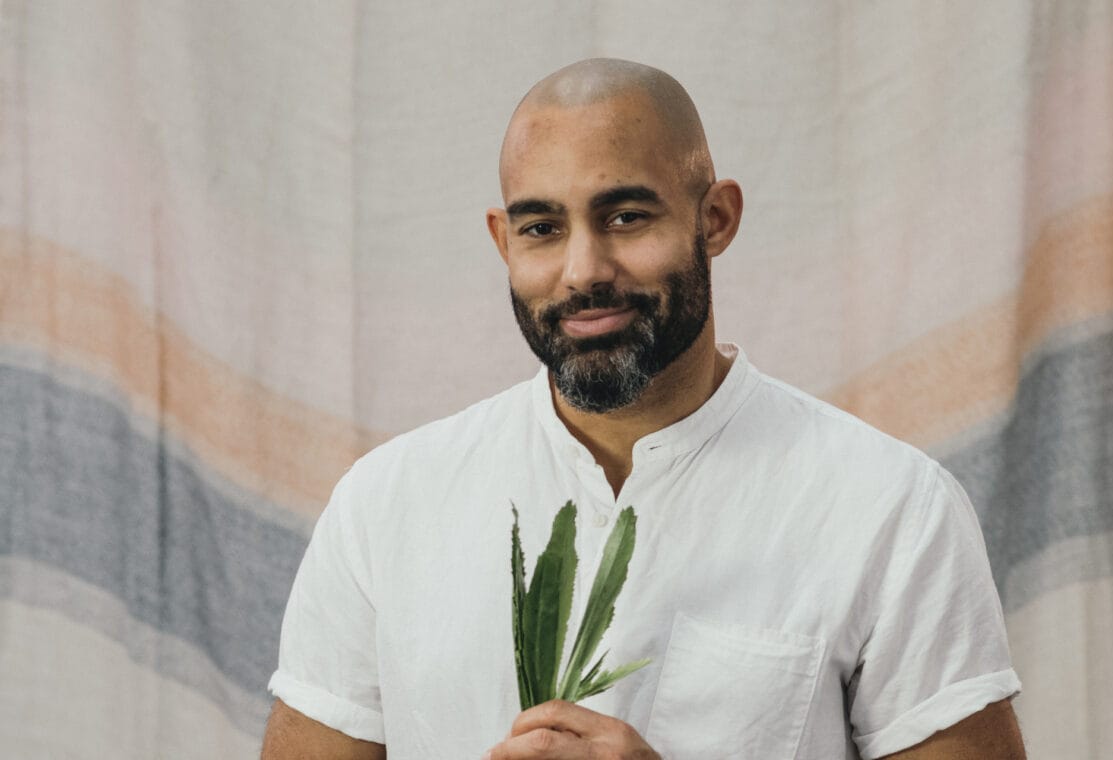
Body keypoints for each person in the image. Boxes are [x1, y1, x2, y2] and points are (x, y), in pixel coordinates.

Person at [261, 58, 1026, 759]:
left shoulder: (889, 508)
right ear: (503, 241)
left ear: (715, 219)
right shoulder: (386, 505)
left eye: (626, 217)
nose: (583, 270)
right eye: (542, 228)